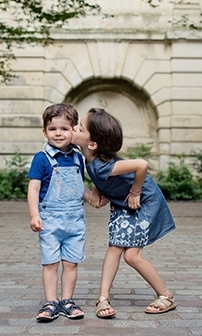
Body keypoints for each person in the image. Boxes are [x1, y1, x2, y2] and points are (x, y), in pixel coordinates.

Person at [72, 107, 177, 318]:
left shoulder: (103, 164)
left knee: (131, 255)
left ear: (92, 144)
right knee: (114, 247)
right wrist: (96, 192)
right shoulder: (90, 158)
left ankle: (166, 295)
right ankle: (103, 298)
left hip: (144, 202)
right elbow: (100, 177)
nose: (74, 128)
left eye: (80, 127)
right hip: (123, 204)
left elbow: (141, 165)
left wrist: (136, 191)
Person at [27, 103, 105, 322]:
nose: (58, 133)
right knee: (50, 263)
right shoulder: (42, 158)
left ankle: (67, 301)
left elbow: (79, 187)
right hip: (50, 220)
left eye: (64, 128)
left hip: (75, 220)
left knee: (71, 263)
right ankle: (50, 302)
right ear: (45, 132)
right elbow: (33, 188)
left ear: (73, 131)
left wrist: (92, 198)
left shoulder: (78, 157)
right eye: (52, 129)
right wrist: (34, 214)